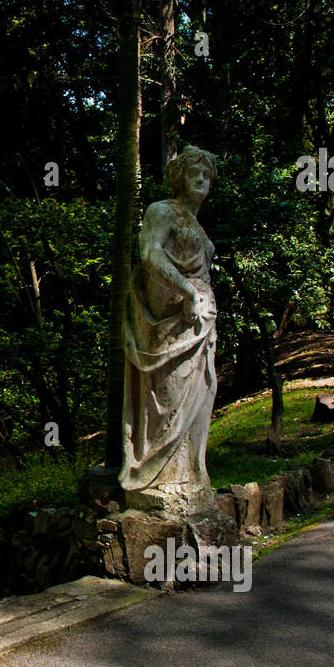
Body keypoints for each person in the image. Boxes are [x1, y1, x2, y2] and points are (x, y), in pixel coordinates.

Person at [120, 146, 218, 515]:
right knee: (168, 397)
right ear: (179, 177)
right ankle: (158, 481)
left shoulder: (197, 223)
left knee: (201, 397)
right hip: (170, 326)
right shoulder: (161, 211)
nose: (201, 179)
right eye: (194, 172)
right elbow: (150, 254)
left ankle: (188, 475)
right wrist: (188, 291)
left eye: (207, 175)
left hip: (200, 325)